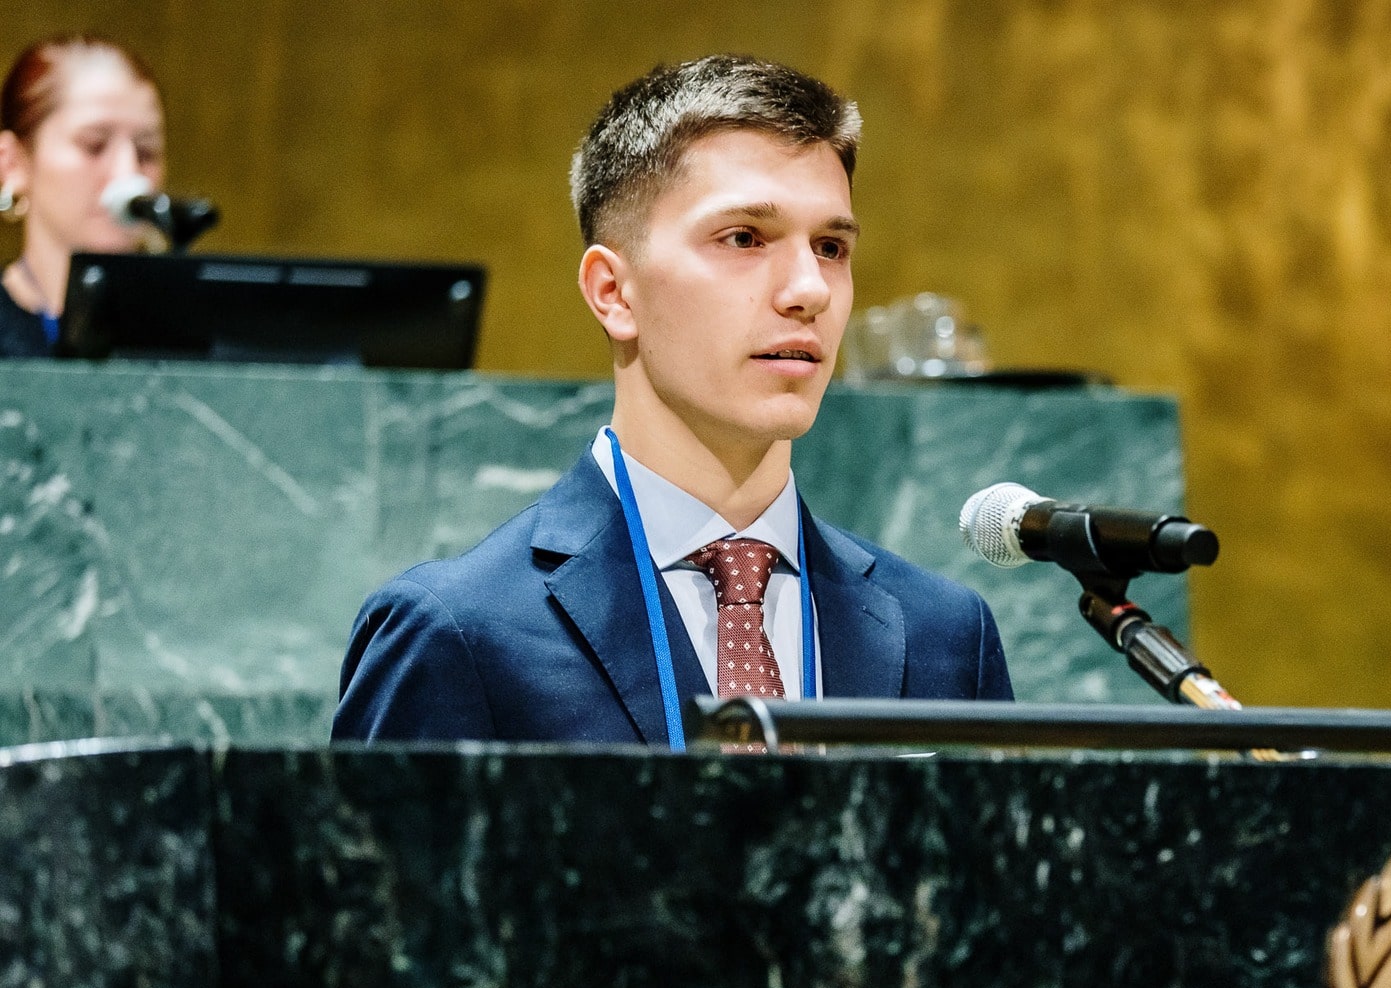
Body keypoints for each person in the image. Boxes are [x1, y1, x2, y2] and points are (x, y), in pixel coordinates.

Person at [334, 55, 1012, 743]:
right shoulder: (457, 633)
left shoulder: (948, 640)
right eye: (745, 237)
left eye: (831, 246)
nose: (809, 289)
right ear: (613, 293)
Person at [0, 34, 164, 359]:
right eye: (94, 145)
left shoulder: (184, 331)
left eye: (146, 152)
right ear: (13, 164)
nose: (128, 175)